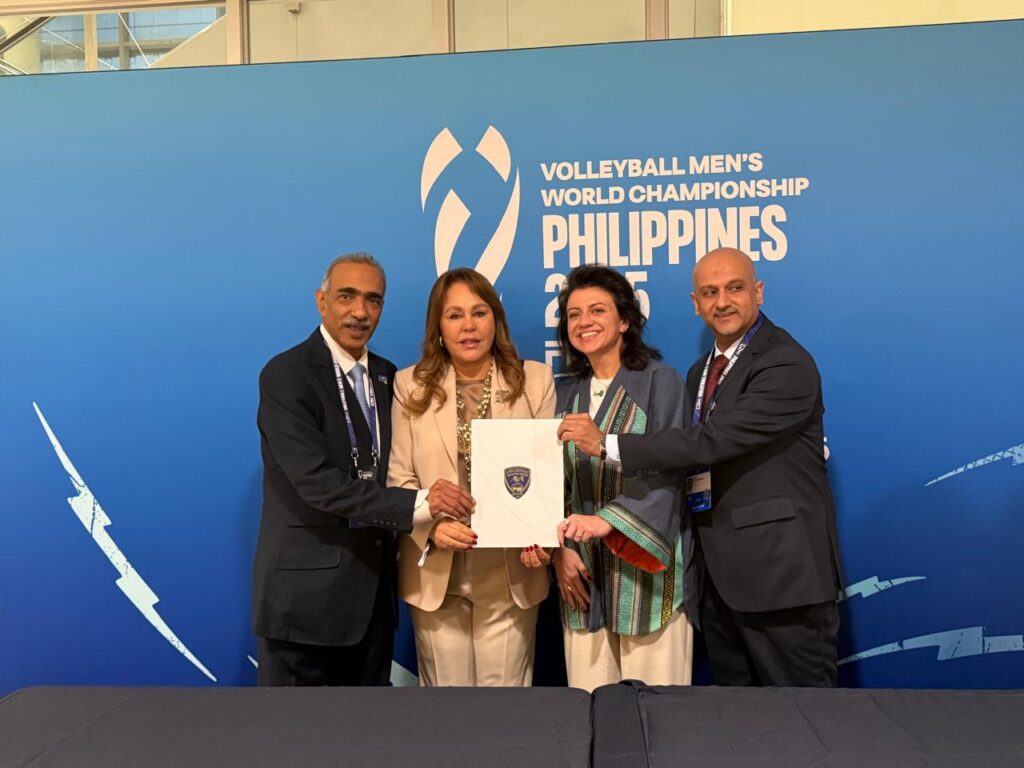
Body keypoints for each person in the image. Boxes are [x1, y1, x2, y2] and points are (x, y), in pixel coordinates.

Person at [558, 247, 843, 687]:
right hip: (718, 581)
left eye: (734, 288)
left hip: (781, 577)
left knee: (802, 714)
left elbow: (711, 441)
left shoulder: (785, 362)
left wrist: (606, 444)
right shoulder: (700, 372)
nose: (722, 301)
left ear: (758, 292)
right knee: (733, 717)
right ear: (695, 303)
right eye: (710, 292)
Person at [252, 253, 473, 686]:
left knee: (367, 728)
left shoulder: (389, 377)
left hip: (373, 605)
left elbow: (401, 465)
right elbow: (317, 485)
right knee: (293, 730)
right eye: (346, 296)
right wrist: (420, 505)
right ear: (321, 301)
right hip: (304, 607)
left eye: (373, 300)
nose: (360, 311)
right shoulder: (286, 374)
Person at [524, 265, 694, 692]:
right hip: (581, 578)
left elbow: (669, 472)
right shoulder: (564, 393)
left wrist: (607, 521)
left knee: (656, 710)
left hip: (647, 577)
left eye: (597, 310)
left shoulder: (660, 382)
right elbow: (549, 483)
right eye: (574, 314)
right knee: (591, 707)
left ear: (625, 320)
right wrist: (559, 551)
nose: (584, 321)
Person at [388, 267, 555, 686]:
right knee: (446, 706)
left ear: (495, 319)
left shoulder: (534, 380)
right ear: (438, 326)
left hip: (510, 571)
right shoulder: (409, 385)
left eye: (479, 313)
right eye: (454, 315)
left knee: (505, 706)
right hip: (436, 570)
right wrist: (431, 527)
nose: (468, 326)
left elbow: (548, 476)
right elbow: (400, 479)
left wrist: (541, 536)